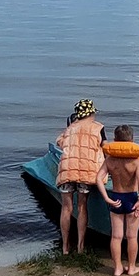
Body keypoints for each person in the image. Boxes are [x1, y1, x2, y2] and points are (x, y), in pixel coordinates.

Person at [53, 99, 107, 254]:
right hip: (86, 171)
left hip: (67, 170)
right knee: (82, 207)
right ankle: (81, 247)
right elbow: (105, 147)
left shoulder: (70, 128)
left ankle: (65, 247)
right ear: (91, 113)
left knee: (66, 208)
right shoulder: (98, 128)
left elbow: (61, 143)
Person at [100, 125, 139, 276]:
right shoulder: (137, 161)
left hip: (116, 197)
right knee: (132, 236)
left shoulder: (110, 159)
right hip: (132, 198)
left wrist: (106, 197)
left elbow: (98, 179)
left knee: (116, 236)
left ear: (115, 140)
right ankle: (132, 267)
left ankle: (118, 268)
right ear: (132, 140)